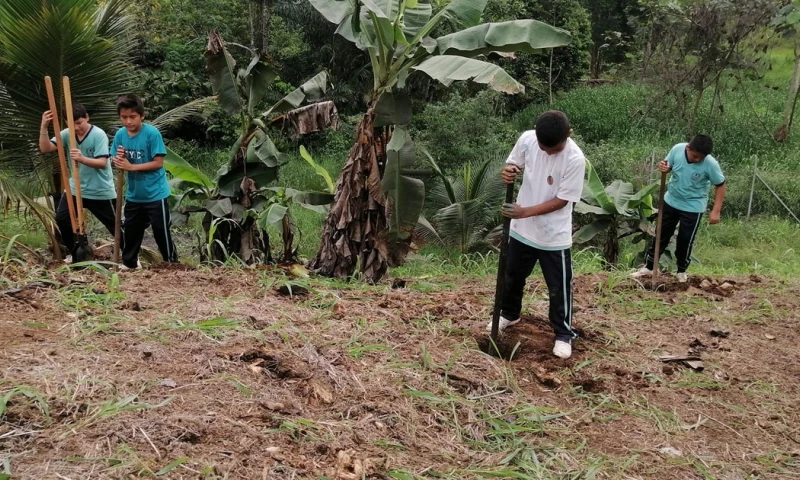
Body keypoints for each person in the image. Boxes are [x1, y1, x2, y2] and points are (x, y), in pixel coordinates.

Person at [489, 110, 586, 360]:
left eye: (554, 149)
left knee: (558, 287)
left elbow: (563, 200)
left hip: (554, 235)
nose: (548, 153)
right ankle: (509, 314)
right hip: (522, 230)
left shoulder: (575, 159)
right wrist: (509, 171)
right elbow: (513, 164)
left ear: (569, 134)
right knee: (512, 275)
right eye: (544, 148)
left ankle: (563, 333)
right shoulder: (527, 139)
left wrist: (524, 212)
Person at [632, 135, 726, 283]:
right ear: (688, 148)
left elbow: (720, 184)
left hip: (693, 206)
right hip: (671, 200)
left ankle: (681, 271)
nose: (697, 160)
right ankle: (649, 267)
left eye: (701, 158)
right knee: (661, 234)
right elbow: (667, 166)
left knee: (685, 240)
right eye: (695, 156)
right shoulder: (677, 149)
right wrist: (664, 168)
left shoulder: (710, 164)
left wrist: (716, 210)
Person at [39, 103, 117, 262]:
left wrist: (82, 159)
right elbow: (45, 148)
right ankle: (76, 254)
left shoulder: (98, 134)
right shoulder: (67, 134)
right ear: (66, 122)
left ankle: (131, 258)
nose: (76, 127)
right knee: (62, 219)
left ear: (87, 117)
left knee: (115, 226)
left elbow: (102, 162)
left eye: (79, 123)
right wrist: (44, 126)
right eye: (71, 124)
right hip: (75, 189)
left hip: (100, 190)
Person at [111, 94, 177, 270]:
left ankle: (171, 263)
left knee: (160, 230)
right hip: (134, 194)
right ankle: (129, 263)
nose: (128, 121)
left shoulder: (151, 134)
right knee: (131, 230)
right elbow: (115, 159)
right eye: (124, 117)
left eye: (132, 117)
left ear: (142, 115)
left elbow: (158, 163)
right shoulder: (120, 135)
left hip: (155, 193)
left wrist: (131, 167)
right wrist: (118, 159)